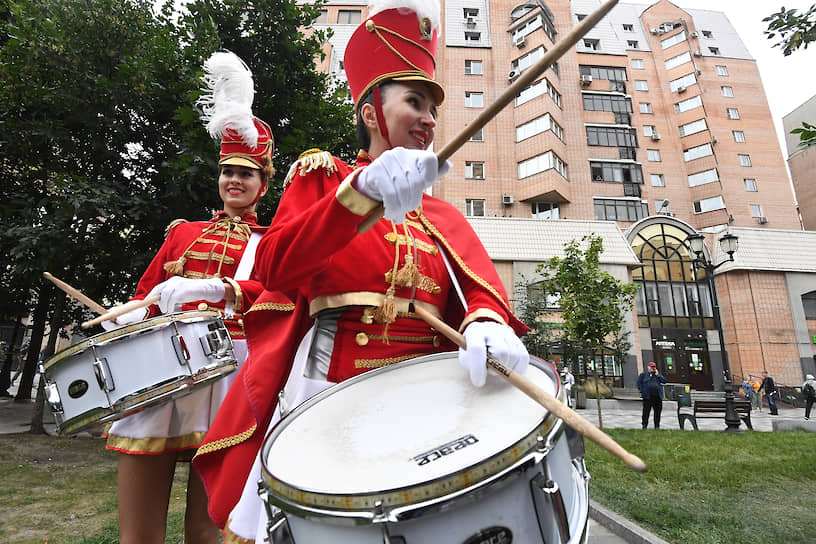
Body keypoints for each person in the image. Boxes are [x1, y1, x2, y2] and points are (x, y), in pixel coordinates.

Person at [192, 2, 530, 540]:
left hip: (429, 400)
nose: (428, 119)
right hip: (329, 398)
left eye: (432, 108)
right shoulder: (324, 181)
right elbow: (278, 266)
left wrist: (486, 321)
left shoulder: (441, 213)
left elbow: (476, 288)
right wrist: (360, 193)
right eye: (414, 102)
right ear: (372, 113)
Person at [101, 52, 283, 544]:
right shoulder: (184, 233)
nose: (234, 181)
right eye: (227, 172)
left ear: (262, 185)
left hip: (233, 367)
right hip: (165, 360)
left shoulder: (269, 241)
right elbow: (148, 292)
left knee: (211, 511)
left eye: (246, 174)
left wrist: (222, 290)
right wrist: (124, 321)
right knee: (142, 476)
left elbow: (275, 298)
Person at [637, 362, 667, 429]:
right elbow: (639, 384)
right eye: (651, 367)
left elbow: (664, 381)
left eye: (654, 367)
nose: (652, 368)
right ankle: (644, 425)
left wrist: (658, 375)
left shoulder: (657, 376)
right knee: (646, 412)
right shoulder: (643, 375)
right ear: (648, 367)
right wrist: (642, 391)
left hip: (657, 397)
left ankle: (657, 426)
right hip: (648, 397)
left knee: (657, 412)